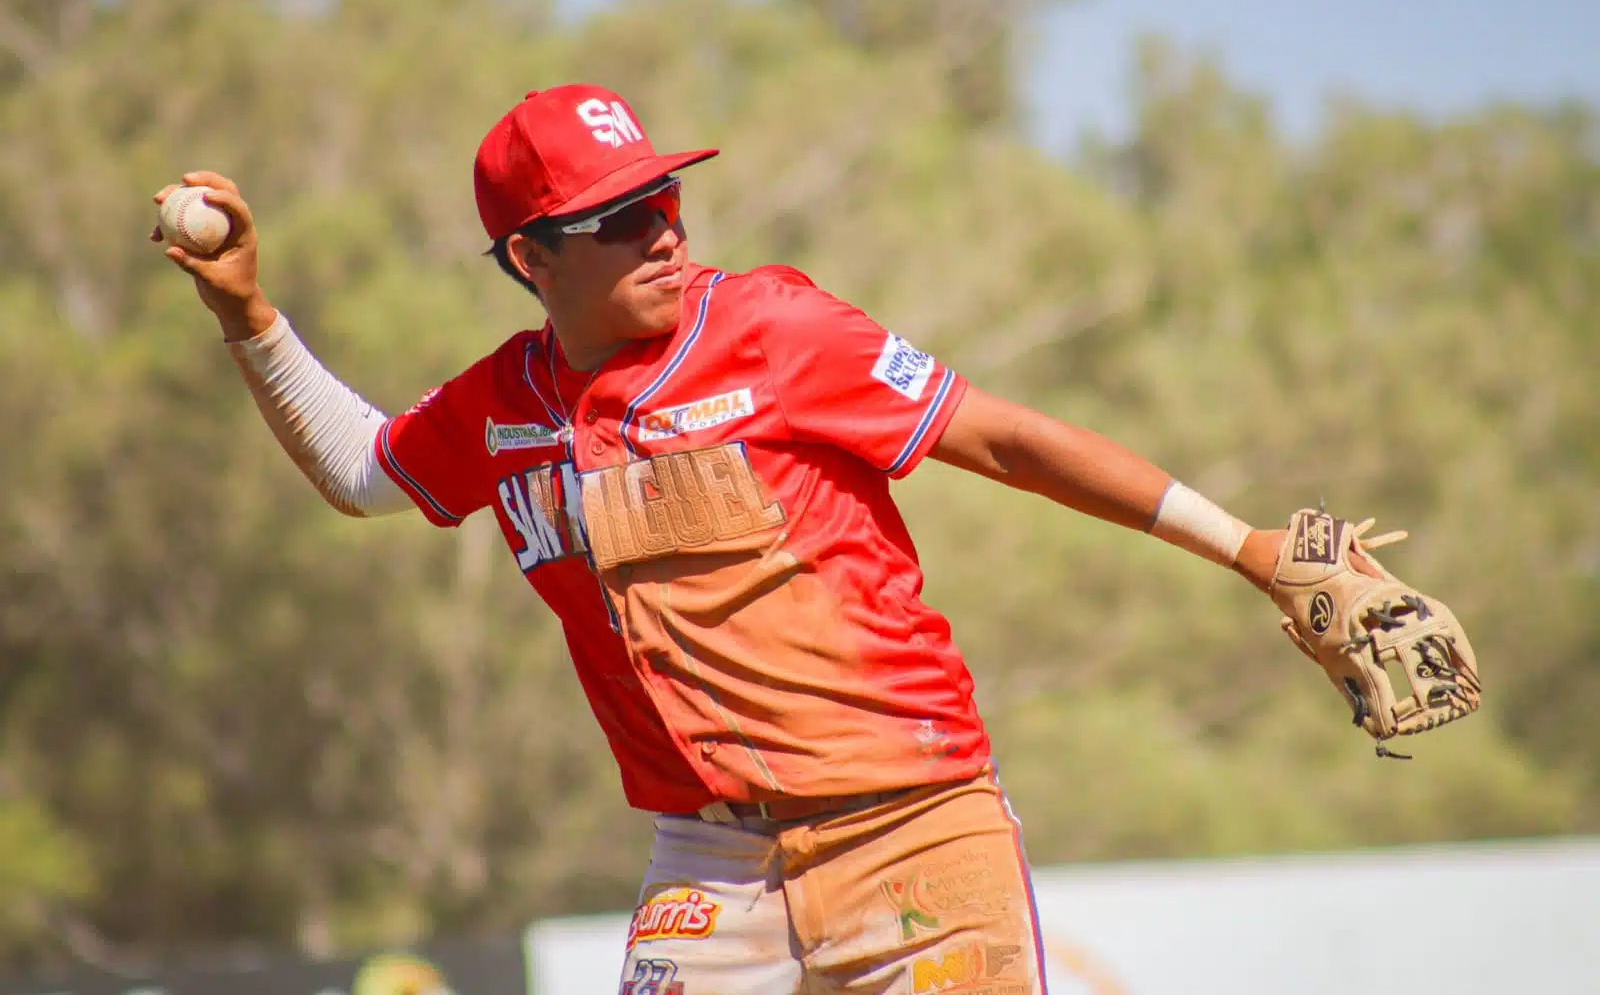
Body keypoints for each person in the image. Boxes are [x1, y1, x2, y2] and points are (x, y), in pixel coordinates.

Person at [152, 83, 1303, 995]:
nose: (663, 230)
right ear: (531, 259)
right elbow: (363, 470)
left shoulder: (774, 328)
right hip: (709, 861)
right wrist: (246, 315)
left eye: (664, 198)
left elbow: (1003, 439)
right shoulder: (503, 405)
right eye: (619, 217)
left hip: (910, 815)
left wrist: (1248, 547)